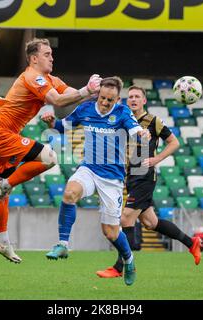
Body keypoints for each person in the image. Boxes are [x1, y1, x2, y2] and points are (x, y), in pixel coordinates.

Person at [0, 38, 102, 264]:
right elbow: (57, 100)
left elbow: (71, 93)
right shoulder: (31, 76)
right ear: (34, 58)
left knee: (2, 195)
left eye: (51, 54)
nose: (51, 57)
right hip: (1, 135)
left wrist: (94, 92)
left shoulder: (50, 79)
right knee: (49, 158)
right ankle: (6, 184)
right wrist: (87, 90)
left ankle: (2, 241)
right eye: (47, 54)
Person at [41, 77, 151, 286]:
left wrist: (142, 134)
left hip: (112, 179)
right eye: (102, 98)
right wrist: (51, 123)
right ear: (97, 95)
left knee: (109, 232)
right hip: (89, 169)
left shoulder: (122, 113)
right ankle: (63, 244)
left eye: (110, 100)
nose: (105, 103)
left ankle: (129, 260)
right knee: (69, 193)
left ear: (117, 99)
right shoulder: (85, 109)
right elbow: (63, 126)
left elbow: (137, 131)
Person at [95, 85, 202, 278]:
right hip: (130, 176)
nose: (133, 99)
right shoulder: (124, 119)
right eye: (130, 97)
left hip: (145, 174)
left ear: (144, 101)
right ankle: (191, 242)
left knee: (126, 218)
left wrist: (157, 158)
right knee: (151, 222)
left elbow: (174, 142)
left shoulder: (153, 121)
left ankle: (120, 267)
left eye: (137, 96)